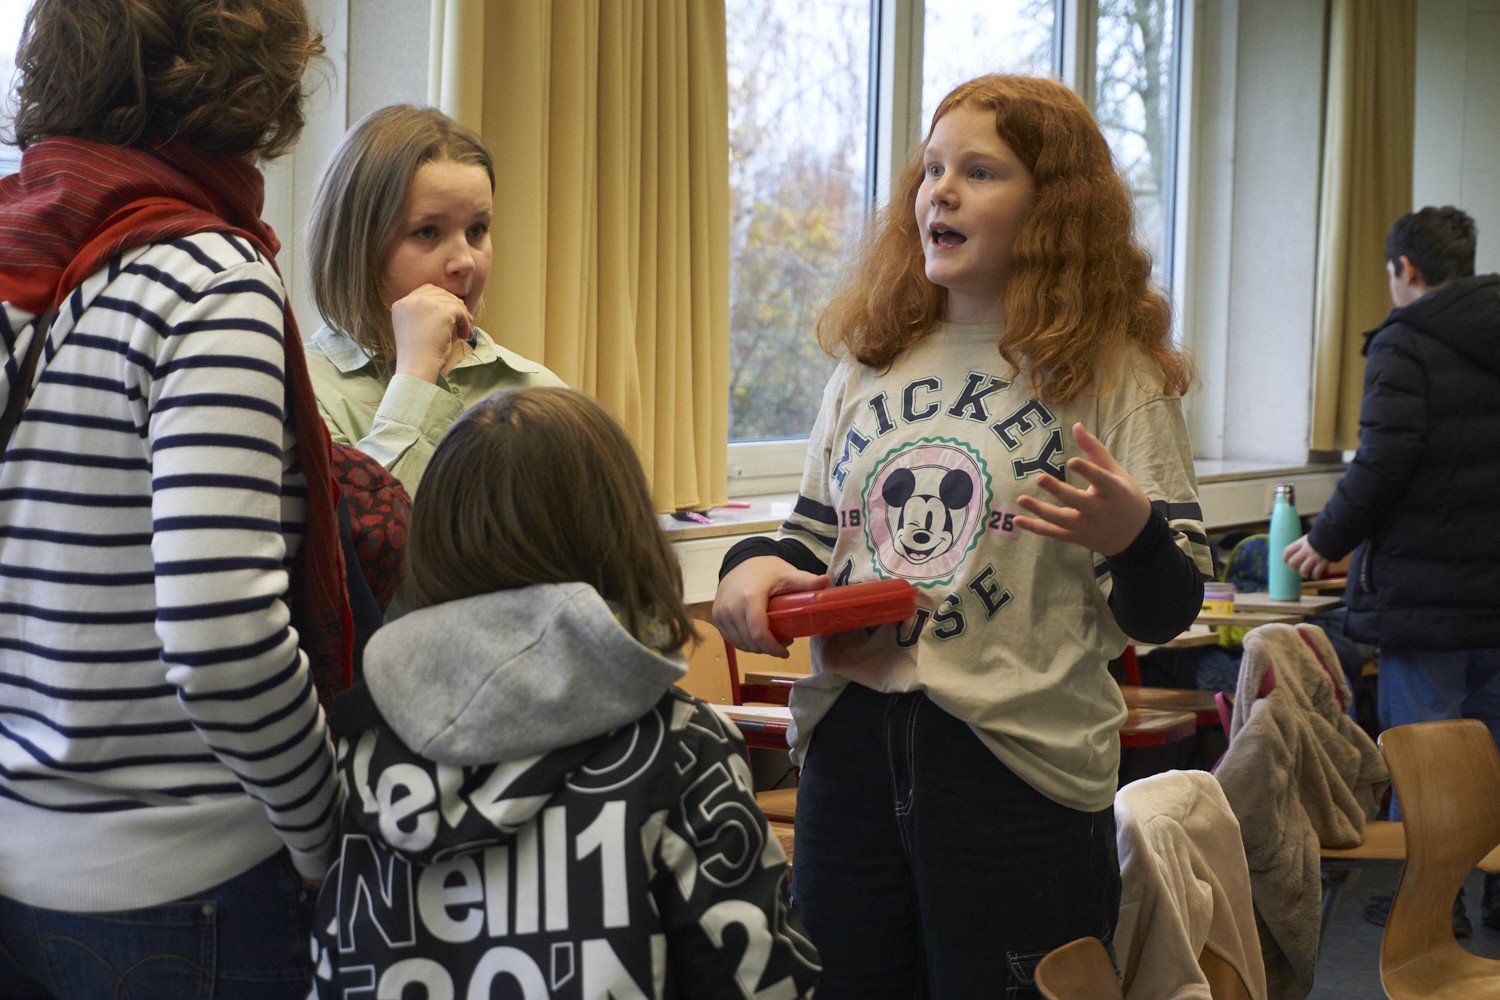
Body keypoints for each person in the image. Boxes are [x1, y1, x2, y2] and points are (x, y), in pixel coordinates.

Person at [713, 73, 1213, 998]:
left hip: (1017, 769)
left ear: (1053, 209)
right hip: (851, 752)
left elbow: (1167, 609)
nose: (939, 191)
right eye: (932, 169)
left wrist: (1133, 536)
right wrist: (752, 573)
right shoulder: (870, 363)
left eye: (979, 172)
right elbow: (811, 537)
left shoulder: (1116, 375)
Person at [0, 0, 344, 996]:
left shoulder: (20, 261)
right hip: (184, 890)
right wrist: (325, 828)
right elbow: (222, 637)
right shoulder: (207, 279)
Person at [310, 386, 821, 998]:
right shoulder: (682, 746)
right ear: (625, 535)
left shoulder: (359, 743)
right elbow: (764, 981)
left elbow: (337, 958)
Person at [1283, 204, 1500, 933]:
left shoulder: (1406, 342)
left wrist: (1326, 539)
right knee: (1496, 744)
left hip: (1426, 592)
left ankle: (1434, 903)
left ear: (1404, 268)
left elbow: (1384, 458)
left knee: (1429, 746)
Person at [305, 103, 565, 494]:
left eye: (477, 230)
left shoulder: (539, 390)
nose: (465, 261)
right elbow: (366, 526)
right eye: (428, 232)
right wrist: (416, 375)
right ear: (357, 246)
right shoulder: (302, 389)